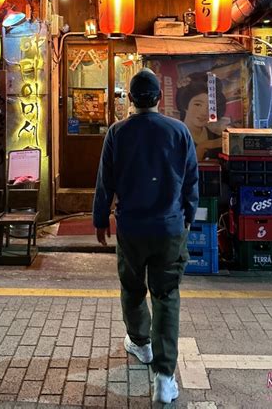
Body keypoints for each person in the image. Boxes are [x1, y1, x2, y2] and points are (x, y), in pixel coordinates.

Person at [93, 68, 199, 404]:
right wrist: (187, 219)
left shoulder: (117, 133)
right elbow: (192, 183)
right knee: (167, 295)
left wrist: (100, 221)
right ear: (160, 98)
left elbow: (104, 181)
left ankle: (140, 343)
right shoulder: (179, 131)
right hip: (169, 228)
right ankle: (164, 379)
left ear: (130, 99)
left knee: (133, 286)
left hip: (132, 228)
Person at [176, 72, 227, 160]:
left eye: (210, 107)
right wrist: (201, 148)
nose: (204, 112)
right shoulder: (175, 137)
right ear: (185, 104)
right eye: (198, 104)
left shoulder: (217, 140)